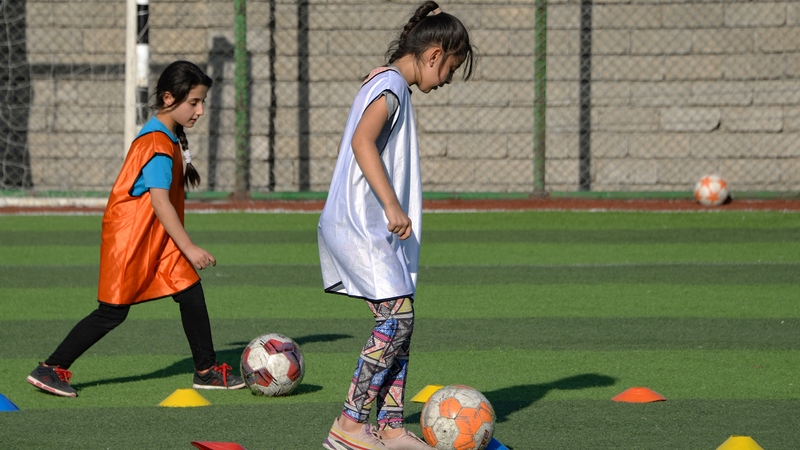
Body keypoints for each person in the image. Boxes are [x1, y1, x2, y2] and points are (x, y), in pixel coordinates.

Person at [26, 61, 244, 398]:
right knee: (112, 312)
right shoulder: (157, 143)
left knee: (190, 291)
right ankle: (50, 368)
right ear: (169, 98)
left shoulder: (167, 136)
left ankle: (206, 370)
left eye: (202, 102)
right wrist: (190, 247)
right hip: (132, 238)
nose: (200, 110)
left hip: (156, 236)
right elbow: (160, 203)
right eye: (194, 103)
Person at [318, 2, 474, 449]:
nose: (445, 80)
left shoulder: (389, 82)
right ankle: (348, 425)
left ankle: (387, 427)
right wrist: (391, 206)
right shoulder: (390, 87)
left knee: (401, 322)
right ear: (432, 54)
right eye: (449, 68)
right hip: (361, 223)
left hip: (367, 226)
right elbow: (362, 141)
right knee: (397, 319)